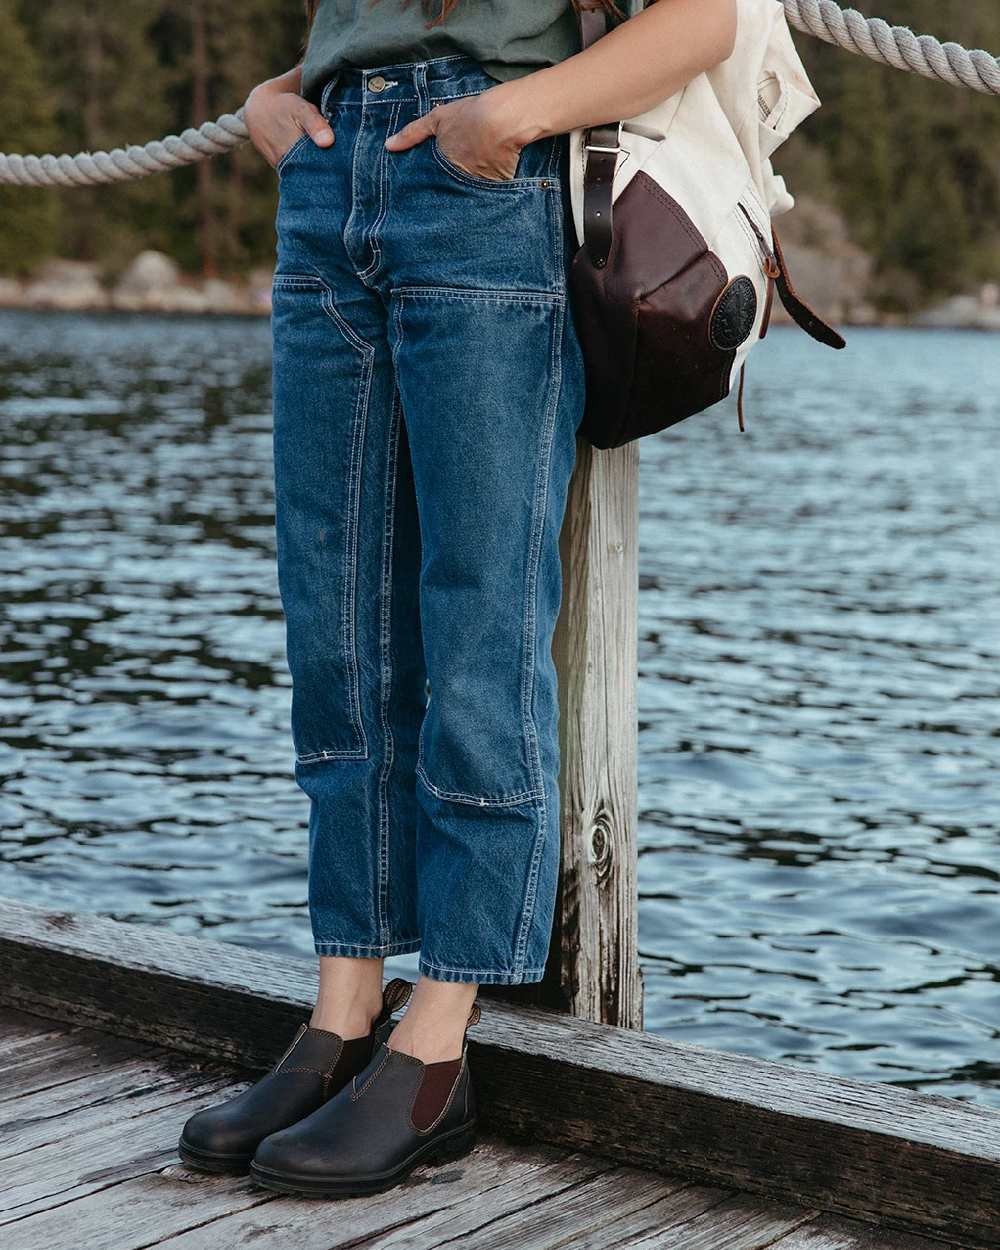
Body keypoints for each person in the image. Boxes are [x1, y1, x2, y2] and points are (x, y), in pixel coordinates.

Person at [179, 0, 737, 1198]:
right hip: (331, 186)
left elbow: (705, 20)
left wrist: (507, 118)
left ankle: (434, 1042)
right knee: (336, 627)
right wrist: (277, 99)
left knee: (479, 620)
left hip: (488, 188)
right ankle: (339, 1012)